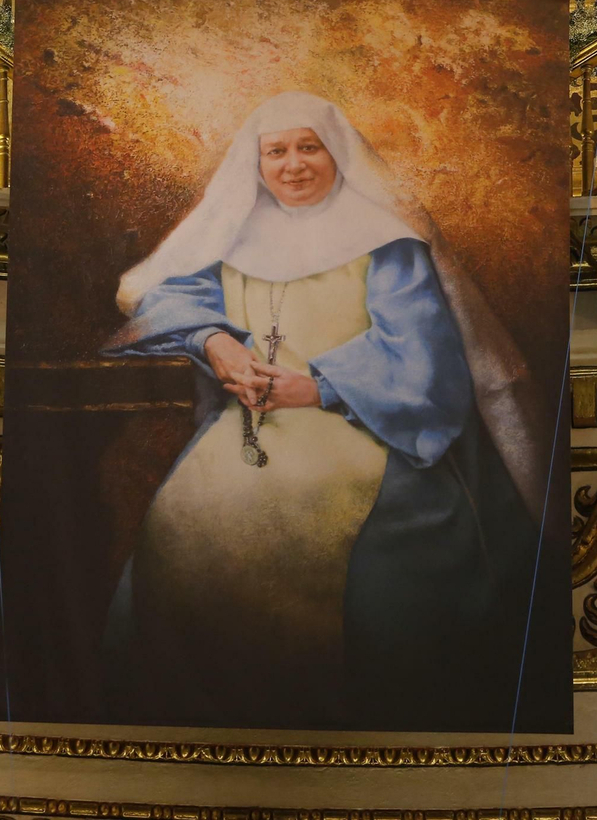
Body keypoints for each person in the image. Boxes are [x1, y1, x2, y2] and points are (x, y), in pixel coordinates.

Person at [98, 91, 559, 730]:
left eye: (309, 147)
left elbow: (422, 359)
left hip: (373, 429)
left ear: (336, 153)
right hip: (251, 432)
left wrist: (316, 388)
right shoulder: (234, 231)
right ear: (256, 164)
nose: (294, 165)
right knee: (182, 528)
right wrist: (217, 341)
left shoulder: (388, 239)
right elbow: (169, 294)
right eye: (277, 151)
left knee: (384, 584)